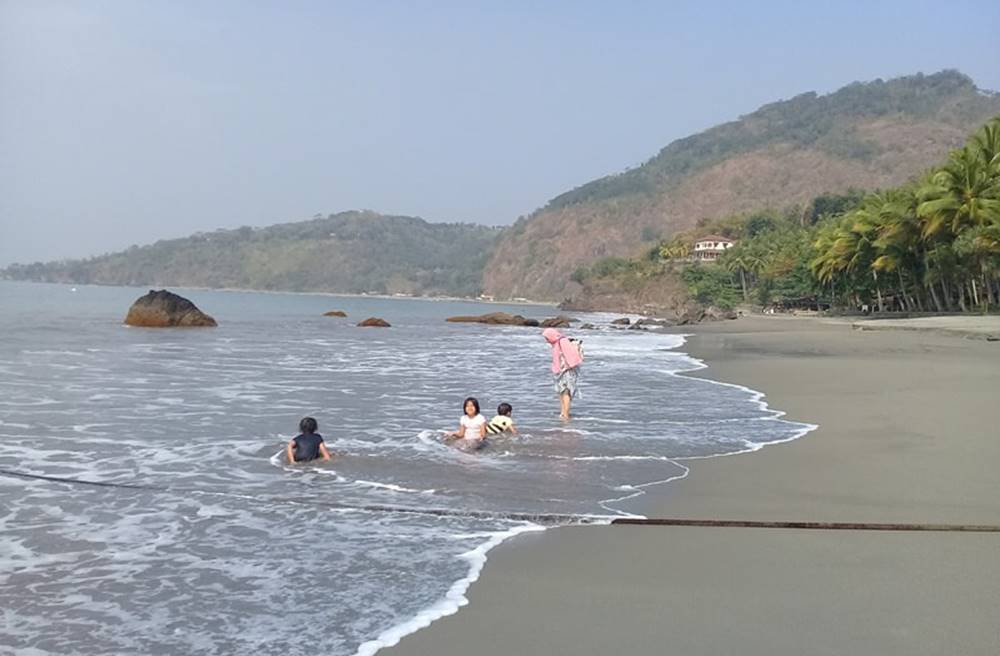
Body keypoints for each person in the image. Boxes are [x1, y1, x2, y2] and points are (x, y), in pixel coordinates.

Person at [542, 327, 583, 420]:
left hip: (568, 371)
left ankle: (566, 414)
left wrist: (569, 367)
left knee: (566, 392)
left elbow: (571, 356)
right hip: (560, 371)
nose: (547, 341)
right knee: (560, 392)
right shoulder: (555, 344)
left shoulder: (563, 341)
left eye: (547, 338)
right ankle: (563, 412)